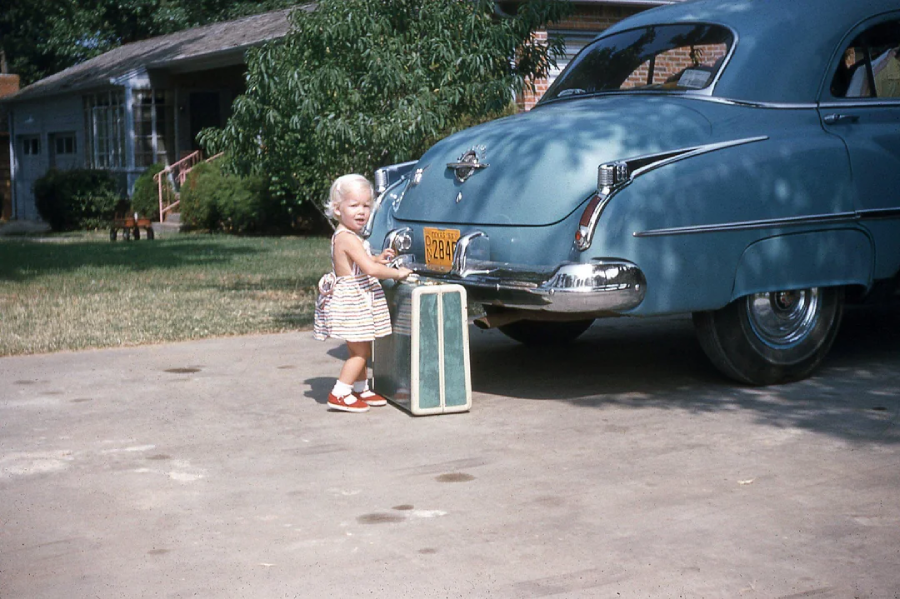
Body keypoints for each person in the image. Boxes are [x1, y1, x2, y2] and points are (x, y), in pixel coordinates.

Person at [314, 174, 413, 413]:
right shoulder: (347, 238)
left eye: (366, 205)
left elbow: (360, 262)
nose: (362, 211)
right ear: (337, 209)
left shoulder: (347, 236)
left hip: (355, 298)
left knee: (359, 346)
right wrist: (396, 273)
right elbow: (369, 270)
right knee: (361, 352)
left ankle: (360, 387)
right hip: (353, 300)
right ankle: (340, 392)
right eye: (354, 205)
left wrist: (377, 258)